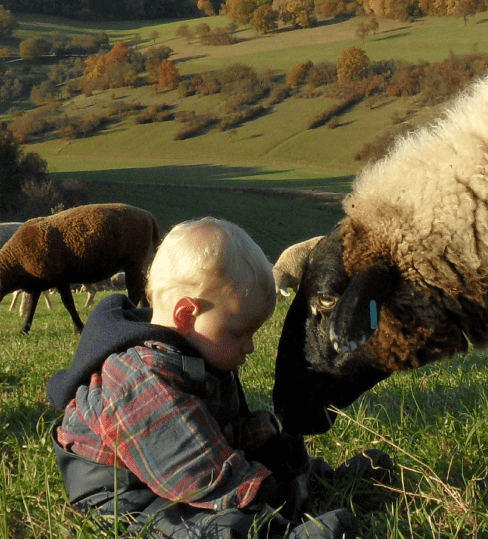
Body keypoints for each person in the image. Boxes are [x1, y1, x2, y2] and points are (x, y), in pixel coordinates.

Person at [47, 217, 386, 538]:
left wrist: (269, 444)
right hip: (128, 494)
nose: (250, 346)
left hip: (187, 465)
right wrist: (265, 491)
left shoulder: (199, 355)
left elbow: (221, 430)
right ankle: (273, 531)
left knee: (265, 460)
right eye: (240, 333)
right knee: (196, 525)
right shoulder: (140, 379)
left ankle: (318, 479)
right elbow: (198, 474)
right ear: (186, 314)